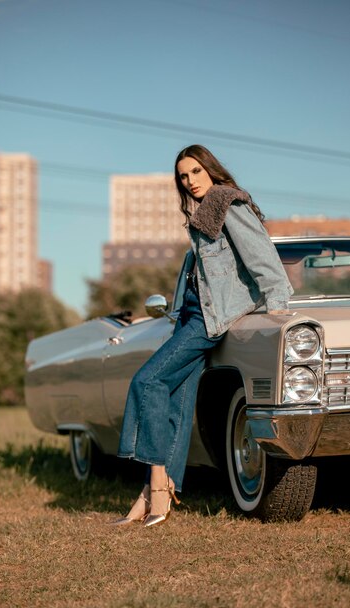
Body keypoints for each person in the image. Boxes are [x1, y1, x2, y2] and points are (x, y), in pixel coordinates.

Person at [113, 144, 293, 528]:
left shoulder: (229, 203)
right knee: (177, 402)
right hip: (189, 317)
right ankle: (152, 495)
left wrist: (277, 308)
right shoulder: (203, 214)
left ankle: (157, 485)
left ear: (211, 169)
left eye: (196, 171)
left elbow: (263, 259)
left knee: (147, 381)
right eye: (183, 176)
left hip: (209, 321)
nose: (190, 181)